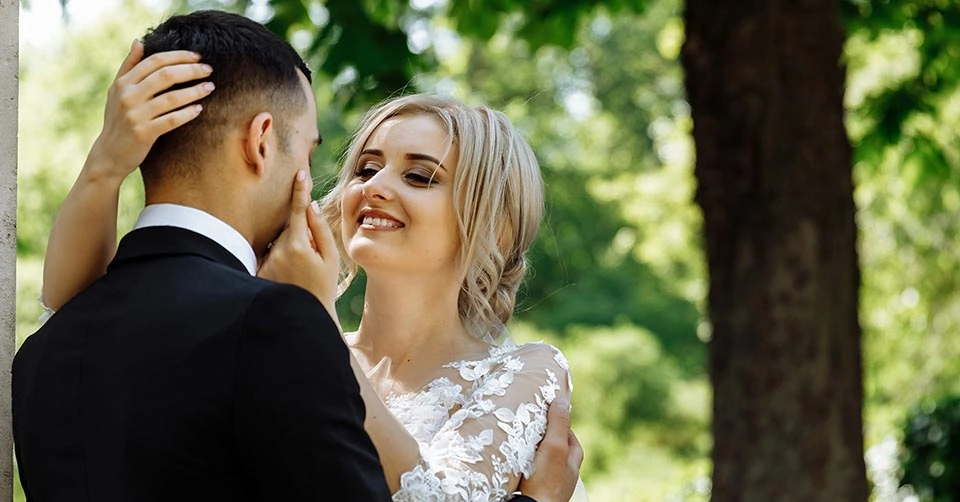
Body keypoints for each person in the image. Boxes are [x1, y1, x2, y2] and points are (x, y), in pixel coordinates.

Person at [31, 10, 585, 502]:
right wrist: (106, 166)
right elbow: (87, 307)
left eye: (419, 176)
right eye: (366, 168)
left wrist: (313, 313)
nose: (373, 187)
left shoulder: (523, 372)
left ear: (492, 225)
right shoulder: (279, 336)